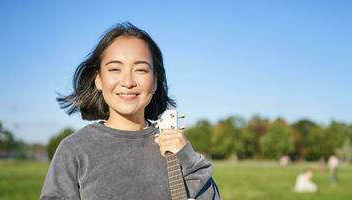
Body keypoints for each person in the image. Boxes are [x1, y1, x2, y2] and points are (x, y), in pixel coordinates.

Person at [40, 22, 220, 200]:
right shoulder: (74, 149)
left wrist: (187, 157)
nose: (128, 82)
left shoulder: (174, 146)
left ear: (155, 81)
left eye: (140, 70)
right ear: (98, 80)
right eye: (115, 69)